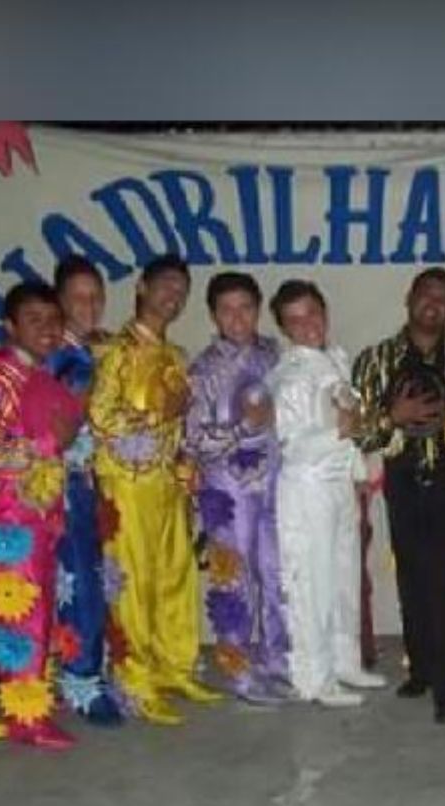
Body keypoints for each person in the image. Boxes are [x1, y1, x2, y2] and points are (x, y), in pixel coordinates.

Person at [352, 267, 445, 724]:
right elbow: (360, 432)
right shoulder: (376, 359)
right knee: (412, 581)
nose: (433, 304)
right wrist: (392, 417)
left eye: (443, 298)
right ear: (409, 298)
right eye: (426, 295)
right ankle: (423, 669)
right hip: (404, 482)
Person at [88, 255, 221, 725]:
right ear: (142, 287)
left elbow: (180, 425)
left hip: (167, 483)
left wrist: (186, 462)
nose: (173, 296)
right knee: (134, 581)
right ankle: (136, 681)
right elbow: (101, 416)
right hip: (127, 485)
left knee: (175, 575)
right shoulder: (116, 352)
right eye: (165, 285)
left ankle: (175, 668)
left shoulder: (176, 356)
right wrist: (156, 413)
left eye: (182, 289)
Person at [0, 282, 80, 750]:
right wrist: (51, 443)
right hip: (7, 517)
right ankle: (26, 717)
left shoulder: (36, 374)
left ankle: (29, 699)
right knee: (19, 615)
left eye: (54, 320)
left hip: (33, 513)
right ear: (10, 325)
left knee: (35, 611)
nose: (48, 329)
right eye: (34, 319)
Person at [268, 279, 385, 707]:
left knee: (343, 574)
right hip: (307, 486)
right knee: (313, 581)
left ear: (325, 312)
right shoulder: (289, 377)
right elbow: (289, 445)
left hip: (338, 482)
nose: (308, 325)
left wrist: (357, 465)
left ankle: (344, 660)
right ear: (284, 328)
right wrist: (341, 430)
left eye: (313, 314)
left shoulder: (335, 359)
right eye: (295, 320)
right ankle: (313, 677)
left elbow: (353, 421)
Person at [185, 271, 290, 706]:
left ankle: (278, 659)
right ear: (213, 315)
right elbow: (194, 440)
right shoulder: (203, 370)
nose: (237, 318)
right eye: (227, 310)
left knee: (277, 573)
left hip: (274, 483)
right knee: (235, 580)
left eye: (245, 307)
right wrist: (242, 428)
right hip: (228, 490)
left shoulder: (275, 356)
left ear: (258, 309)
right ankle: (239, 669)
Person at [46, 255, 124, 725]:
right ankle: (81, 682)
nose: (89, 305)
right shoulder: (61, 357)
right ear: (59, 301)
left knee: (91, 579)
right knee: (78, 583)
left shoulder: (95, 350)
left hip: (91, 483)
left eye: (96, 296)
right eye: (78, 297)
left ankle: (86, 671)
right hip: (64, 485)